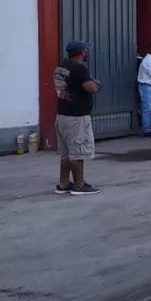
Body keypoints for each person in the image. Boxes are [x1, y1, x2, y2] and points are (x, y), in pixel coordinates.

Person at [53, 40, 101, 195]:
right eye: (85, 51)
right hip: (76, 117)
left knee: (66, 153)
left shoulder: (61, 67)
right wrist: (96, 84)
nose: (87, 53)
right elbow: (92, 88)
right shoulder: (79, 68)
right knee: (77, 151)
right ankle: (80, 185)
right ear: (82, 52)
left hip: (62, 115)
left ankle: (64, 183)